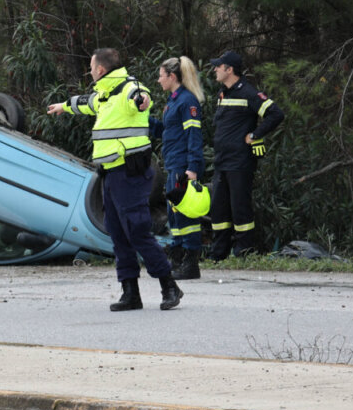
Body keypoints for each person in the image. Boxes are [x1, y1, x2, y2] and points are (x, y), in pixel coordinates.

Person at [47, 48, 183, 311]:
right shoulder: (105, 94)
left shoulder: (128, 88)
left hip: (130, 172)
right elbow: (86, 103)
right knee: (118, 233)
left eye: (90, 67)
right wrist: (62, 107)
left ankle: (169, 285)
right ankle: (130, 292)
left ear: (100, 69)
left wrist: (142, 101)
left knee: (137, 231)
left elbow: (140, 97)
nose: (89, 71)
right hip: (110, 173)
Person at [207, 50, 284, 260]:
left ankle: (245, 252)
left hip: (240, 162)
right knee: (218, 209)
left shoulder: (248, 93)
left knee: (240, 208)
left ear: (229, 70)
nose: (214, 69)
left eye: (218, 66)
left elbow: (276, 114)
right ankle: (218, 254)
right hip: (222, 161)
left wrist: (255, 134)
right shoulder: (223, 93)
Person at [150, 55, 205, 280]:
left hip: (183, 168)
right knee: (175, 216)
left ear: (172, 76)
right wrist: (145, 119)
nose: (158, 80)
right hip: (174, 166)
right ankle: (178, 260)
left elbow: (194, 137)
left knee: (186, 218)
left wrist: (192, 168)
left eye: (161, 76)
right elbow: (167, 131)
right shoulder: (173, 101)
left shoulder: (186, 102)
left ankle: (191, 265)